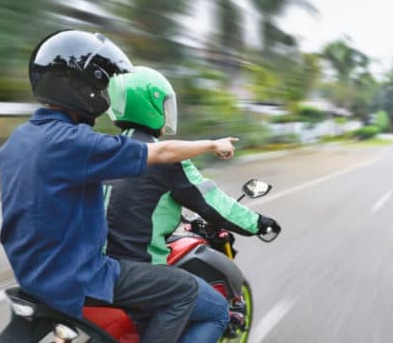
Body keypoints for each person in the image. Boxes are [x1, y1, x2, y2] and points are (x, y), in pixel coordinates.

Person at [0, 30, 240, 343]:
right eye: (99, 84)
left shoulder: (18, 141)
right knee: (194, 296)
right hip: (82, 276)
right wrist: (212, 144)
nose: (104, 93)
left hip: (31, 273)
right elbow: (162, 153)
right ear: (79, 87)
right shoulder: (76, 144)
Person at [104, 66, 281, 342]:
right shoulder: (166, 158)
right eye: (164, 104)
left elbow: (128, 202)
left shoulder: (101, 148)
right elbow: (213, 204)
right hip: (136, 270)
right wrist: (258, 223)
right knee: (217, 312)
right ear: (151, 105)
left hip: (93, 267)